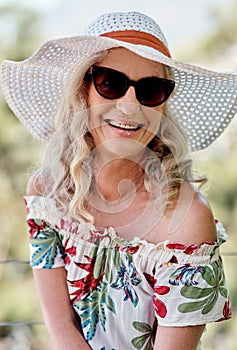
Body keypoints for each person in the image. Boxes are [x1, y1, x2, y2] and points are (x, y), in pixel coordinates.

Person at [1, 11, 236, 350]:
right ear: (84, 91)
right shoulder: (46, 193)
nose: (129, 106)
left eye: (151, 90)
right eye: (110, 82)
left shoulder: (185, 219)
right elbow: (63, 330)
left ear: (163, 105)